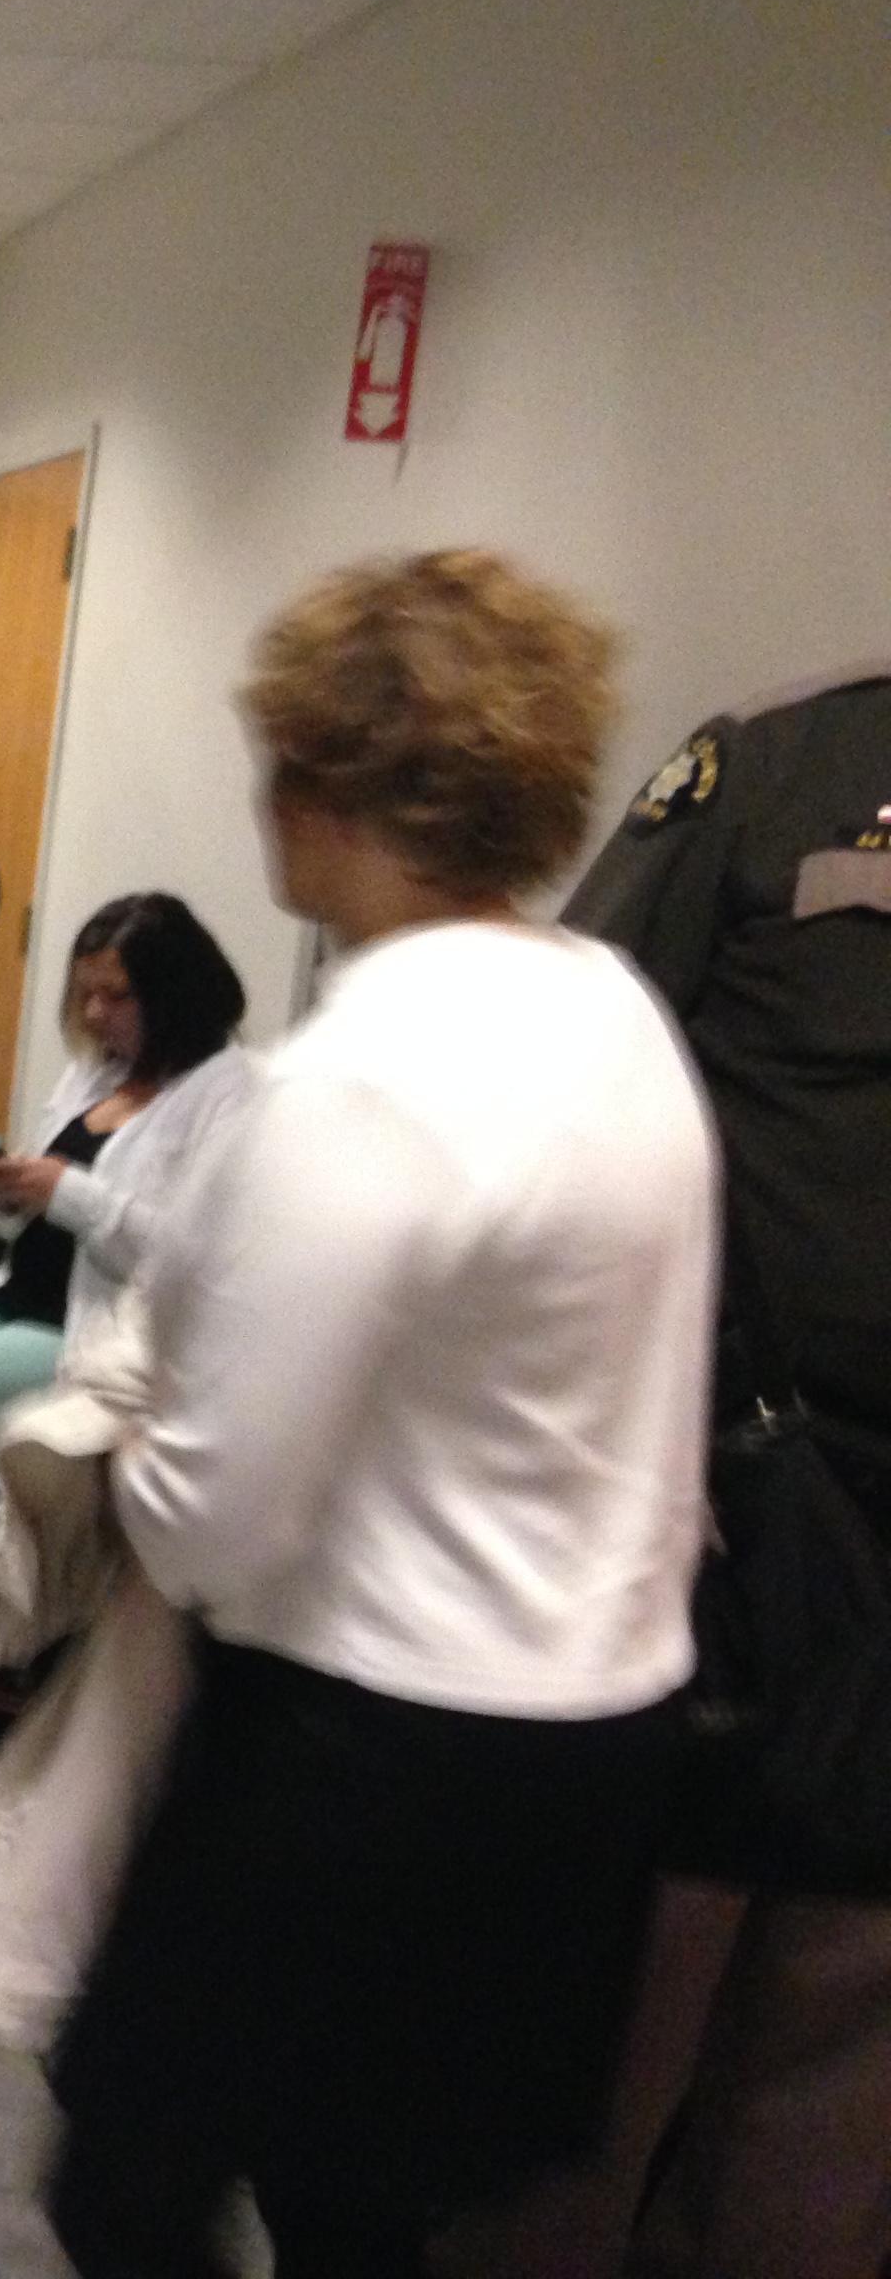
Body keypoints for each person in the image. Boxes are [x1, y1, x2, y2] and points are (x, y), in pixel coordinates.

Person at [46, 549, 717, 2279]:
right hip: (591, 1744)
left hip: (367, 1760)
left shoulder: (358, 1079)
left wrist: (112, 1438)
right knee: (370, 2212)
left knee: (126, 2174)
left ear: (324, 783)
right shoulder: (610, 1010)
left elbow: (208, 1521)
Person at [464, 664, 891, 2279]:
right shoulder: (783, 765)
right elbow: (570, 1075)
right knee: (597, 2061)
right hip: (731, 1516)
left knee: (828, 2097)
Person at [0, 893, 253, 1444]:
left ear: (175, 995)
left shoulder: (229, 1095)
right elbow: (21, 1224)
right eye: (86, 995)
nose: (95, 1014)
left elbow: (189, 1263)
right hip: (11, 1298)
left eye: (117, 996)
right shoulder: (93, 1075)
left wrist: (65, 1193)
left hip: (88, 1340)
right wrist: (9, 1194)